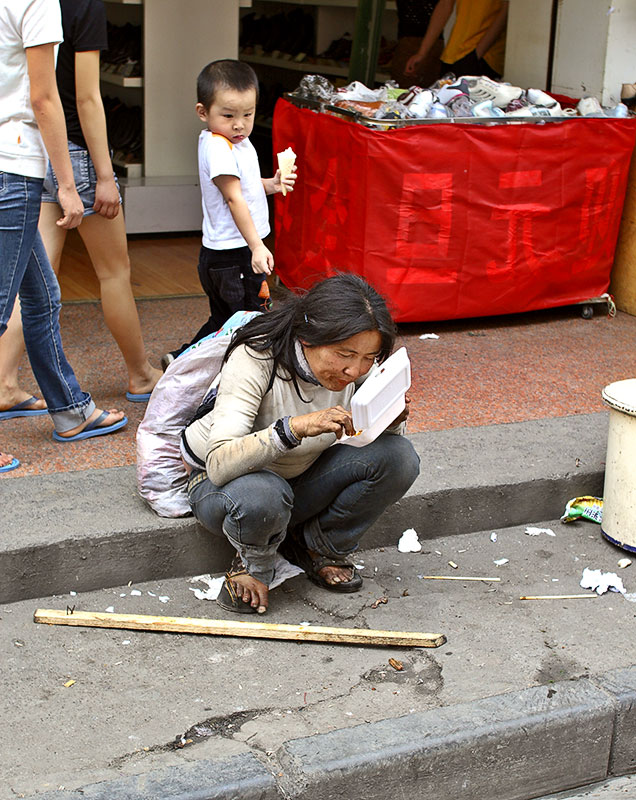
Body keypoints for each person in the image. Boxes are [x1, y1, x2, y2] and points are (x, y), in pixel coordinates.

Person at [182, 274, 420, 614]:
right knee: (263, 494)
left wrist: (389, 420)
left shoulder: (359, 366)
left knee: (399, 458)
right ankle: (253, 564)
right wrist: (293, 428)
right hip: (224, 484)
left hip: (299, 476)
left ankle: (317, 545)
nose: (355, 370)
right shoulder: (257, 357)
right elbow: (219, 464)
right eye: (344, 354)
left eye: (368, 358)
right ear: (308, 338)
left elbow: (373, 440)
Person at [0, 0, 161, 411]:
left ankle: (4, 382)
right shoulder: (83, 5)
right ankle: (141, 373)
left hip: (35, 149)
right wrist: (105, 174)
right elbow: (87, 98)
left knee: (33, 277)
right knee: (114, 271)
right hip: (75, 153)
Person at [0, 0, 126, 473]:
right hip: (12, 167)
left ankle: (70, 408)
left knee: (41, 295)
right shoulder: (38, 3)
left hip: (5, 165)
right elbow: (44, 97)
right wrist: (68, 186)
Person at [162, 59, 297, 369]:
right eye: (228, 115)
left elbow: (245, 187)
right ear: (203, 112)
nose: (240, 124)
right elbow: (234, 199)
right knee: (252, 321)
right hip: (234, 256)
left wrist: (272, 184)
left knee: (226, 319)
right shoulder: (219, 147)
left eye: (248, 115)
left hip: (227, 255)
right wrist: (257, 246)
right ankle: (249, 377)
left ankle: (182, 361)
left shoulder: (236, 142)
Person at [405, 0, 509, 82]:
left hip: (485, 57)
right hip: (453, 54)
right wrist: (422, 53)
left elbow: (507, 9)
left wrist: (477, 54)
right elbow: (445, 5)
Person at [391, 0, 443, 89]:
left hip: (414, 43)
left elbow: (444, 6)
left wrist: (421, 53)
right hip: (428, 42)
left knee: (405, 92)